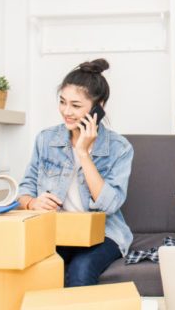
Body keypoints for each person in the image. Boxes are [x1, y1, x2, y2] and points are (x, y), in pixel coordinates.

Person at [17, 58, 134, 287]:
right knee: (42, 267)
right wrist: (32, 203)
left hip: (104, 235)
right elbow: (24, 189)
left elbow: (109, 205)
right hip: (58, 231)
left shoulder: (120, 148)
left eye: (76, 105)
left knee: (81, 269)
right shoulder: (46, 139)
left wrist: (83, 153)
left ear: (98, 106)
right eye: (62, 102)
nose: (66, 112)